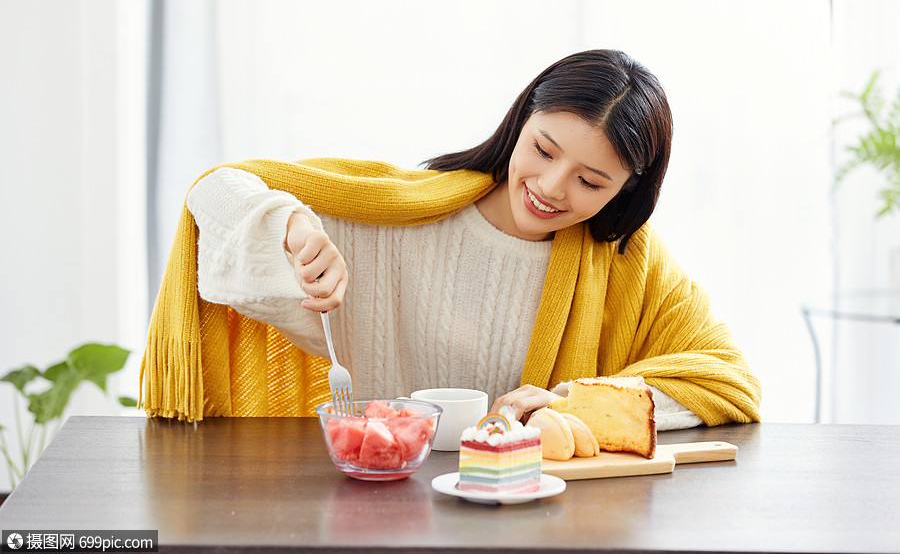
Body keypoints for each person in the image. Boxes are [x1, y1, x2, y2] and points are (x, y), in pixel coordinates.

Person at [140, 49, 761, 430]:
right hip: (378, 504)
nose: (549, 187)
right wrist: (294, 229)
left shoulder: (627, 260)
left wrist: (574, 402)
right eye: (542, 150)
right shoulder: (403, 214)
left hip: (537, 518)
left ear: (626, 191)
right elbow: (216, 190)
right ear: (522, 120)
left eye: (590, 181)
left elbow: (726, 381)